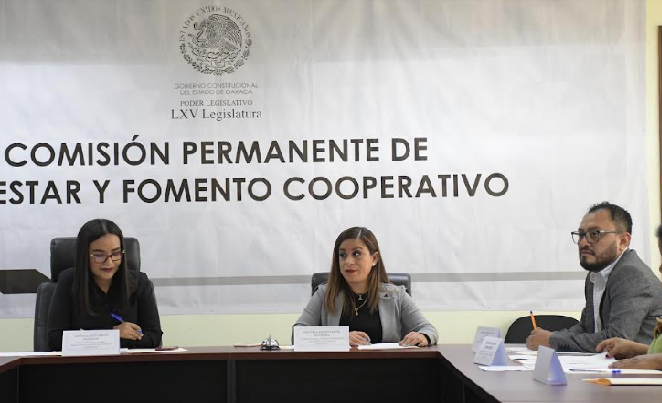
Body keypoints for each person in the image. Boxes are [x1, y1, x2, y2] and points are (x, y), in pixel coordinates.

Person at [526, 202, 662, 352]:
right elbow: (586, 328)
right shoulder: (595, 275)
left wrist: (552, 340)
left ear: (623, 241)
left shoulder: (631, 274)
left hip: (641, 366)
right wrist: (550, 337)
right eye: (581, 235)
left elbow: (615, 339)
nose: (583, 242)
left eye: (595, 234)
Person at [294, 227, 438, 346]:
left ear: (374, 258)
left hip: (387, 368)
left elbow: (428, 330)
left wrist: (422, 336)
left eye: (356, 253)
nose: (348, 261)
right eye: (342, 255)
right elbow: (297, 334)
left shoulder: (397, 295)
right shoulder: (324, 294)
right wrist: (339, 338)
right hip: (337, 368)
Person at [47, 218, 163, 350]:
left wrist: (92, 340)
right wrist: (112, 334)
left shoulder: (140, 282)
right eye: (99, 255)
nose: (109, 263)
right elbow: (56, 340)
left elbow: (154, 336)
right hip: (84, 362)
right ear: (84, 255)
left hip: (127, 361)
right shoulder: (68, 281)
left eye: (116, 253)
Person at [595, 223, 662, 369]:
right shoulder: (595, 277)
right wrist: (637, 349)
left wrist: (657, 361)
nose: (660, 268)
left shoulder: (632, 274)